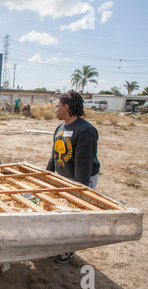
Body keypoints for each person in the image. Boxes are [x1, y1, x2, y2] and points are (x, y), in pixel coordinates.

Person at [46, 90, 100, 264]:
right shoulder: (60, 128)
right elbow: (54, 154)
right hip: (64, 177)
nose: (55, 108)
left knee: (73, 213)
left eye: (57, 105)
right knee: (60, 211)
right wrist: (45, 175)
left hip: (80, 179)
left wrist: (79, 191)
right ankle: (58, 243)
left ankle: (67, 249)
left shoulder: (86, 130)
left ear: (66, 107)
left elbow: (84, 164)